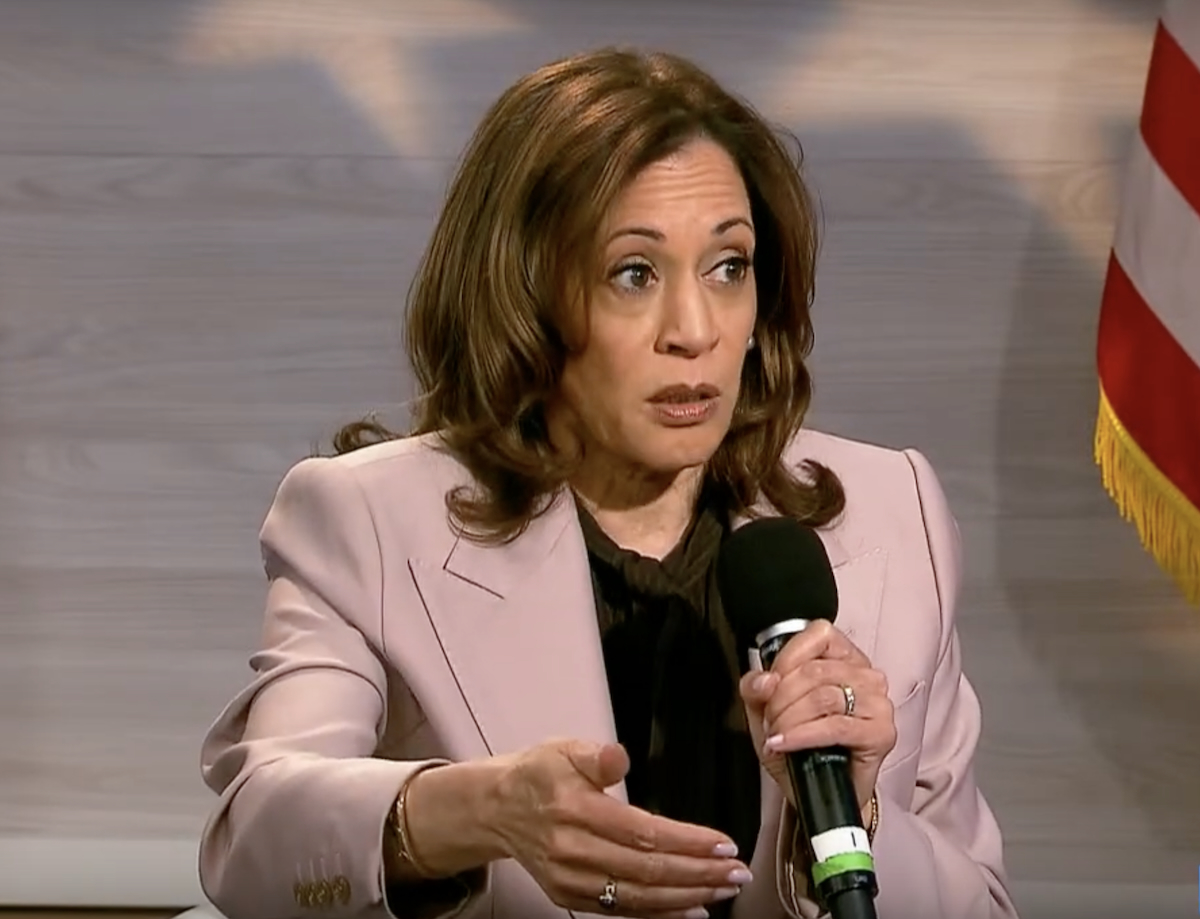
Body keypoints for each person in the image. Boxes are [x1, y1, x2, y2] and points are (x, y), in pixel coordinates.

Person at [197, 47, 1018, 919]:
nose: (695, 329)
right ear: (526, 296)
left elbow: (985, 900)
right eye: (635, 273)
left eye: (728, 266)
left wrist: (857, 814)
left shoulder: (892, 511)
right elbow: (255, 842)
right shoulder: (367, 520)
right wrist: (477, 811)